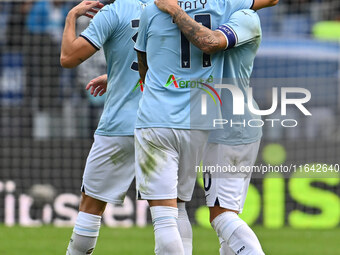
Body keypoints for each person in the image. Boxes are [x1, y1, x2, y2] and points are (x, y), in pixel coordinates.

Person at [134, 0, 277, 254]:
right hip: (211, 123)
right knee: (192, 211)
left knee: (221, 217)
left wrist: (176, 10)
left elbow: (208, 42)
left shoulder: (244, 18)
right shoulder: (226, 6)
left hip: (228, 127)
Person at [59, 1, 155, 254]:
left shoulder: (114, 12)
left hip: (120, 126)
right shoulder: (168, 10)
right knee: (170, 210)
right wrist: (116, 76)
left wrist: (71, 17)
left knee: (91, 207)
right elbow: (172, 66)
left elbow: (68, 58)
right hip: (163, 125)